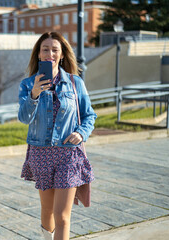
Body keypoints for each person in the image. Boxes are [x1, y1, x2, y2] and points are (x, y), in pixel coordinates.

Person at [18, 32, 97, 240]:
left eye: (55, 50)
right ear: (38, 54)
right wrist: (34, 94)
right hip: (40, 153)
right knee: (47, 212)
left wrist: (81, 132)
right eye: (45, 49)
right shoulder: (27, 85)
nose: (50, 54)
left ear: (62, 55)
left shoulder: (75, 83)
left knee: (62, 215)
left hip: (68, 155)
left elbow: (89, 115)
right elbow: (24, 118)